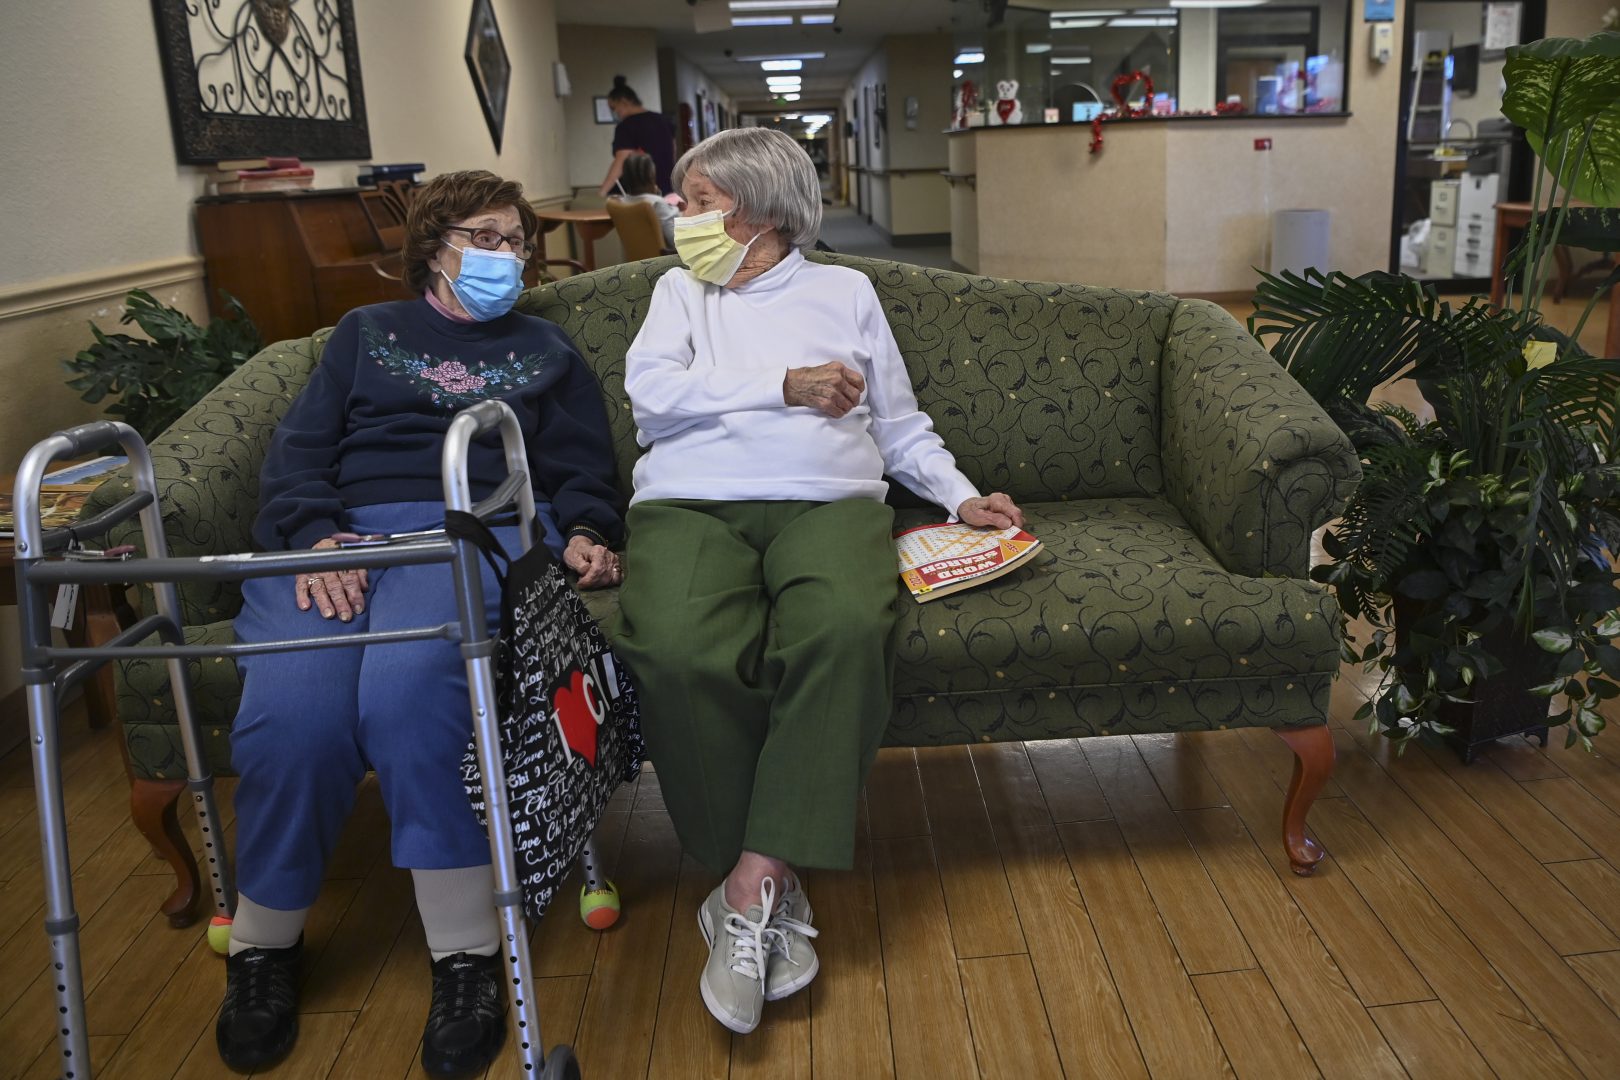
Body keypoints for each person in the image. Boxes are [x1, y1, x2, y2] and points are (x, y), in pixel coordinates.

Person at [613, 129, 1024, 1035]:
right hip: (691, 504)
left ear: (759, 212)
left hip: (828, 501)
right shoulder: (678, 291)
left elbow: (901, 423)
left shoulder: (847, 290)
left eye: (699, 199)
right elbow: (652, 400)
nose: (680, 215)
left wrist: (958, 499)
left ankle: (753, 881)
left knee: (843, 626)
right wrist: (783, 387)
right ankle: (755, 890)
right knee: (676, 649)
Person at [215, 170, 624, 1077]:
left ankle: (466, 954)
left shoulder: (547, 349)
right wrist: (318, 537)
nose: (505, 255)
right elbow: (299, 455)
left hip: (468, 530)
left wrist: (591, 531)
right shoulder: (365, 336)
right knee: (295, 709)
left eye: (515, 239)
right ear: (434, 248)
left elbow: (581, 467)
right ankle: (262, 946)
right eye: (484, 235)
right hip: (340, 537)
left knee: (410, 697)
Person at [598, 75, 676, 197]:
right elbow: (672, 151)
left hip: (642, 192)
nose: (614, 113)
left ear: (623, 102)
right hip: (667, 188)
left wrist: (603, 192)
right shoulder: (663, 120)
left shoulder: (627, 126)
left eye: (614, 108)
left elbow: (622, 160)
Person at [612, 151, 678, 249]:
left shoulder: (622, 203)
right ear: (652, 175)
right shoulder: (657, 204)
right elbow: (676, 242)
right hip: (668, 262)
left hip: (640, 261)